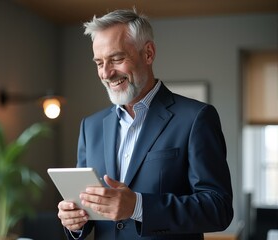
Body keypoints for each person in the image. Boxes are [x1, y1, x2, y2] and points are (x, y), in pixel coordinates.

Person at [57, 8, 233, 240]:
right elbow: (87, 209)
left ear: (148, 53)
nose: (106, 73)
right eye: (99, 63)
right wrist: (74, 222)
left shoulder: (196, 118)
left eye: (117, 59)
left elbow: (218, 208)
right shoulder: (90, 127)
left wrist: (138, 206)